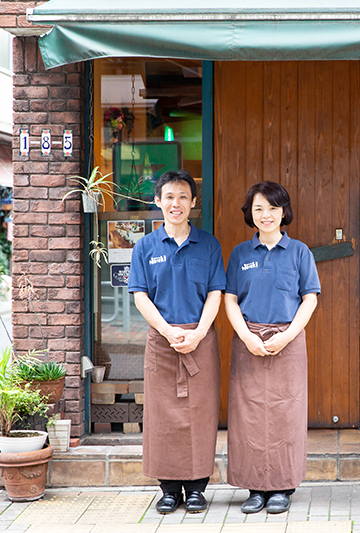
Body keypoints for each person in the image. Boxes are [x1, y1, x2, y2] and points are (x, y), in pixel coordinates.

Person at [128, 169, 226, 514]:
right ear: (157, 202)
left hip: (201, 339)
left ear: (193, 203)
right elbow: (140, 295)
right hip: (162, 342)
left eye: (183, 197)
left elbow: (216, 292)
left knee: (200, 414)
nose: (176, 203)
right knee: (163, 417)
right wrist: (169, 332)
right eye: (169, 197)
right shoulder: (145, 246)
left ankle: (198, 487)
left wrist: (198, 332)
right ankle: (168, 489)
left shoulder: (209, 244)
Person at [224, 181, 320, 515]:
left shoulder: (299, 252)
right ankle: (254, 487)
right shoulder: (240, 254)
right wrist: (248, 337)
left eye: (273, 208)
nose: (266, 215)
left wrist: (287, 335)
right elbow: (230, 300)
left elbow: (309, 299)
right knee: (247, 414)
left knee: (286, 413)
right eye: (259, 208)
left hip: (288, 341)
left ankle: (282, 487)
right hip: (247, 340)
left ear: (284, 212)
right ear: (250, 213)